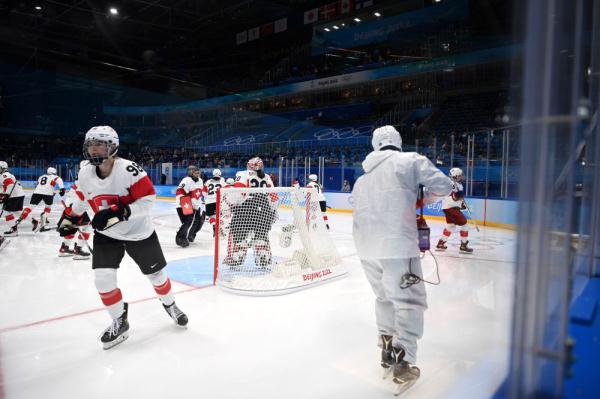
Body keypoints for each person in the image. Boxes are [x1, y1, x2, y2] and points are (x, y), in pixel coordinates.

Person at [58, 126, 188, 350]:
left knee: (156, 276)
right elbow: (82, 197)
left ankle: (170, 305)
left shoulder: (129, 170)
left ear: (112, 146)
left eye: (99, 144)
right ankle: (119, 320)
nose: (93, 148)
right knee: (102, 279)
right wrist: (71, 216)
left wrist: (120, 212)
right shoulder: (85, 172)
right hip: (107, 235)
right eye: (90, 144)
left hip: (139, 233)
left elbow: (148, 200)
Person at [351, 125, 452, 393]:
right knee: (408, 301)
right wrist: (419, 196)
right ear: (397, 141)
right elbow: (444, 185)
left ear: (375, 145)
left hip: (365, 248)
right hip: (397, 245)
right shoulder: (410, 160)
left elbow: (354, 203)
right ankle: (404, 360)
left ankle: (386, 349)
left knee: (383, 297)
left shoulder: (362, 179)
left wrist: (410, 196)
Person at [226, 157, 276, 268]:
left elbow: (239, 193)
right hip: (264, 209)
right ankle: (263, 257)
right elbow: (274, 197)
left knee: (239, 234)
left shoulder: (243, 174)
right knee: (261, 236)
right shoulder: (267, 177)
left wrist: (232, 203)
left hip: (246, 208)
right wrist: (273, 212)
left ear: (250, 165)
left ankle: (237, 257)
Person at [12, 167, 66, 233]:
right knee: (48, 207)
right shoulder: (57, 178)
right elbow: (62, 190)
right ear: (55, 172)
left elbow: (42, 185)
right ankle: (44, 220)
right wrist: (60, 192)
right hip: (48, 194)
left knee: (30, 207)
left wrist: (53, 190)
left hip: (36, 192)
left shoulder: (41, 176)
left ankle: (20, 219)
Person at [57, 161, 92, 259]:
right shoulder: (89, 173)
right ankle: (78, 250)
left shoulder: (82, 173)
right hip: (79, 204)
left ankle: (64, 248)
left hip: (72, 201)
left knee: (71, 227)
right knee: (88, 226)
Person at [436, 167, 473, 253]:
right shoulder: (449, 184)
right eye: (459, 176)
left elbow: (458, 198)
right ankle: (464, 245)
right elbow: (452, 196)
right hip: (450, 207)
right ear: (455, 176)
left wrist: (461, 204)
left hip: (450, 207)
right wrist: (456, 196)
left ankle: (441, 243)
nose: (461, 177)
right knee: (465, 225)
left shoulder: (459, 185)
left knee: (451, 226)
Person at [175, 165, 204, 247]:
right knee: (188, 221)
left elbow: (199, 195)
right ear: (191, 172)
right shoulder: (186, 180)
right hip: (183, 204)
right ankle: (180, 237)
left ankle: (187, 236)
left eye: (198, 172)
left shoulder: (200, 181)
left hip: (194, 206)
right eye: (195, 172)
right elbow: (180, 192)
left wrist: (198, 205)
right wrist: (185, 204)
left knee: (193, 222)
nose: (197, 173)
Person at [0, 161, 26, 237]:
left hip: (14, 195)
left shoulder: (4, 175)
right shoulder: (8, 174)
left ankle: (14, 230)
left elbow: (10, 185)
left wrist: (6, 195)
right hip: (18, 194)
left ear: (3, 168)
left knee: (6, 212)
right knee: (17, 211)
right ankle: (33, 221)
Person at [203, 168, 225, 237]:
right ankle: (220, 230)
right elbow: (226, 192)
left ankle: (215, 229)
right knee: (219, 217)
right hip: (219, 201)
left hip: (209, 202)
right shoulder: (222, 182)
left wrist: (207, 198)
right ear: (220, 174)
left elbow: (203, 193)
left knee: (211, 217)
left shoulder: (207, 182)